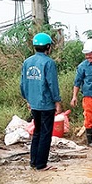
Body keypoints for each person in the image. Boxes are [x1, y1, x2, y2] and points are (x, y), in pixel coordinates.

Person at [20, 32, 62, 171]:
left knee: (37, 132)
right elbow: (52, 84)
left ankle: (33, 161)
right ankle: (41, 164)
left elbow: (23, 83)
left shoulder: (27, 62)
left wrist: (27, 99)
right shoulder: (48, 63)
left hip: (34, 103)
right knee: (45, 133)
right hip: (46, 103)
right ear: (48, 47)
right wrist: (57, 101)